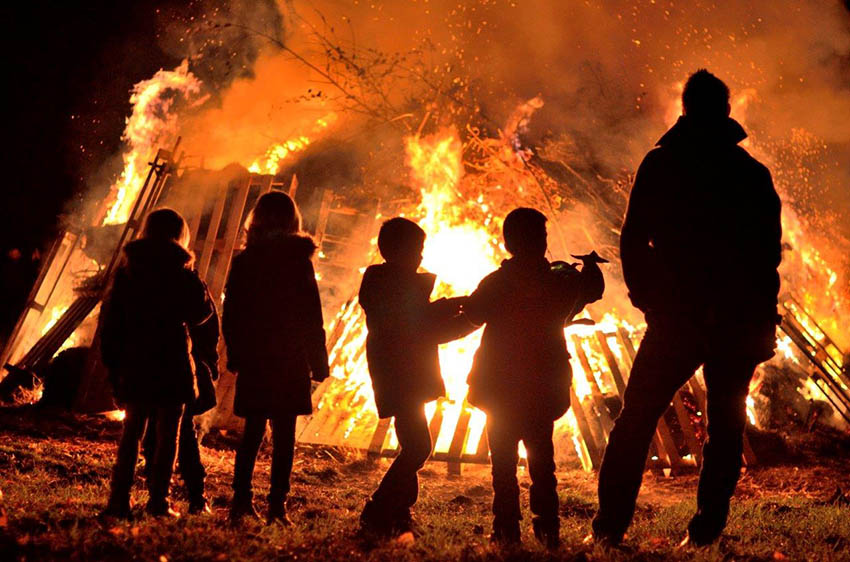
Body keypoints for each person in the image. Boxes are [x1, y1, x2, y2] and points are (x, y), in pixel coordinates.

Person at [590, 69, 782, 548]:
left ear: (687, 109)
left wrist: (648, 298)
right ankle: (704, 535)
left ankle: (609, 531)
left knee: (635, 421)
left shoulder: (663, 164)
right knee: (724, 428)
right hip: (728, 320)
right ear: (726, 111)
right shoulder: (751, 174)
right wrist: (759, 319)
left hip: (679, 316)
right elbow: (767, 255)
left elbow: (634, 238)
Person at [463, 208, 605, 548]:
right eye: (540, 237)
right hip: (542, 385)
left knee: (503, 465)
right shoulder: (557, 281)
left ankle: (507, 527)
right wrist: (589, 267)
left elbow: (473, 312)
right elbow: (589, 293)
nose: (543, 242)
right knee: (542, 463)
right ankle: (547, 528)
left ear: (508, 243)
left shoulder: (496, 282)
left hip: (499, 386)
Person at [358, 217, 473, 537]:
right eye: (418, 250)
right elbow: (422, 328)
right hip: (402, 372)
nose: (422, 256)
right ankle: (379, 506)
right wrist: (469, 320)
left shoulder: (385, 283)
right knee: (419, 446)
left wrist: (454, 306)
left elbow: (420, 318)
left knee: (411, 442)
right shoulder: (397, 286)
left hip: (397, 372)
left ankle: (399, 510)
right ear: (399, 250)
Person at [100, 208, 216, 519]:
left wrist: (113, 367)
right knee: (168, 438)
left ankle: (118, 500)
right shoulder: (181, 273)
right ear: (181, 236)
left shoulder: (128, 272)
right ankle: (158, 502)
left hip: (135, 363)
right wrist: (193, 277)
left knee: (131, 434)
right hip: (171, 364)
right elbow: (201, 313)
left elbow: (111, 321)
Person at [222, 191, 329, 525]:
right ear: (292, 221)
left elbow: (232, 312)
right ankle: (276, 507)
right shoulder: (299, 263)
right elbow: (312, 316)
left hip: (257, 356)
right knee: (284, 436)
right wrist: (318, 360)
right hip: (289, 357)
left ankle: (241, 501)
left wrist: (236, 353)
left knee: (252, 432)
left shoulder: (245, 261)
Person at [141, 294, 220, 515]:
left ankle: (177, 495)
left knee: (174, 431)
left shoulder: (144, 277)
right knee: (176, 432)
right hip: (167, 367)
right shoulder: (186, 282)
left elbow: (208, 325)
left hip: (167, 367)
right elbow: (208, 321)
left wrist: (206, 363)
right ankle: (176, 496)